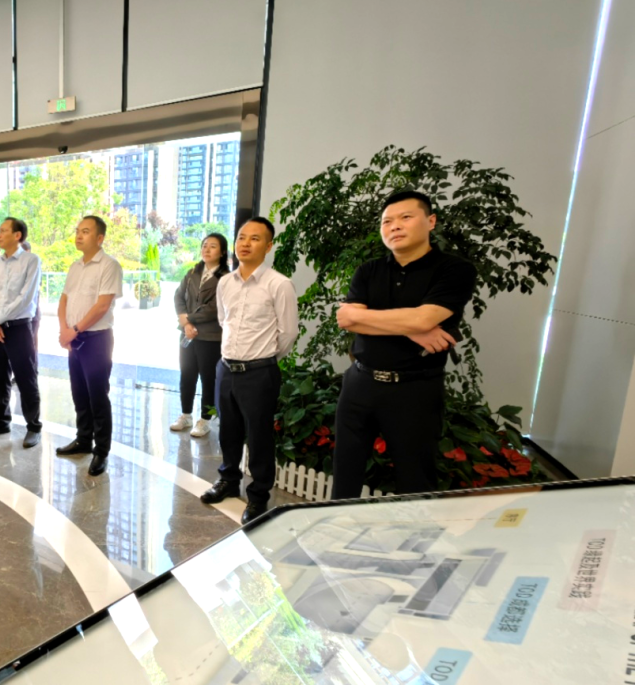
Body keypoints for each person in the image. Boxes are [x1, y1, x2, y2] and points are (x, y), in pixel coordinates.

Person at [332, 190, 476, 499]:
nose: (394, 226)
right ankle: (335, 527)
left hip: (415, 389)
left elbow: (424, 318)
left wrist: (408, 322)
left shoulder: (454, 269)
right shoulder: (369, 270)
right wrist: (412, 329)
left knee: (415, 478)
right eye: (387, 221)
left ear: (431, 221)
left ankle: (415, 532)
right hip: (360, 382)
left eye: (405, 217)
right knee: (345, 471)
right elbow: (345, 319)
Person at [201, 217, 298, 524]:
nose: (245, 243)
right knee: (228, 430)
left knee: (259, 437)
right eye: (242, 237)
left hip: (259, 372)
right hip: (226, 368)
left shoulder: (279, 284)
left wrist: (263, 358)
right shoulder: (225, 283)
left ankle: (258, 496)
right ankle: (229, 480)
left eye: (255, 239)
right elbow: (224, 321)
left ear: (268, 246)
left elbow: (288, 333)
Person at [54, 216, 124, 476]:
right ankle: (83, 440)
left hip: (96, 339)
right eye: (77, 230)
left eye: (85, 231)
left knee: (97, 396)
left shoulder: (109, 265)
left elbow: (102, 306)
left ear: (100, 238)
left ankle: (101, 451)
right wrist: (64, 330)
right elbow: (63, 300)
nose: (79, 235)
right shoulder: (75, 266)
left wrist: (73, 330)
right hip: (75, 339)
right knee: (79, 393)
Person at [0, 217, 43, 448]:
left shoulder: (31, 260)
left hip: (19, 327)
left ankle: (33, 427)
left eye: (4, 230)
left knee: (26, 378)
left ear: (17, 235)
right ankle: (1, 421)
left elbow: (25, 298)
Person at [172, 233, 230, 438]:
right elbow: (178, 296)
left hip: (210, 336)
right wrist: (185, 322)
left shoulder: (226, 278)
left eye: (212, 246)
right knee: (187, 375)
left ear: (222, 252)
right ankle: (186, 415)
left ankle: (205, 419)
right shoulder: (192, 273)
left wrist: (189, 319)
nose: (206, 249)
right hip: (188, 334)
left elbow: (215, 308)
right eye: (204, 245)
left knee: (208, 378)